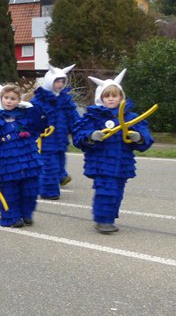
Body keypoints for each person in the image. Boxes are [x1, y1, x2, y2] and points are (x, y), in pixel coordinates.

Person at [71, 70, 153, 234]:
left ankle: (109, 216)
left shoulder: (131, 117)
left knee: (117, 192)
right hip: (101, 162)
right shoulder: (93, 117)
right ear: (101, 97)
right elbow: (78, 135)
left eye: (114, 95)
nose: (110, 99)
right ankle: (103, 220)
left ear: (121, 97)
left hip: (122, 162)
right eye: (107, 95)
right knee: (105, 190)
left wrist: (138, 137)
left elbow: (146, 137)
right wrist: (91, 135)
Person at [0, 82, 44, 228]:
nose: (9, 101)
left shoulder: (24, 114)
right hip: (7, 162)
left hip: (28, 158)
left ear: (19, 100)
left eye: (13, 98)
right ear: (1, 99)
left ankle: (26, 213)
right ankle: (11, 217)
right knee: (10, 191)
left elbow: (39, 127)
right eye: (6, 97)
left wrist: (33, 109)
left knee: (31, 189)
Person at [30, 65, 79, 200]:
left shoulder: (65, 99)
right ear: (50, 81)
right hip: (46, 141)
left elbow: (74, 118)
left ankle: (59, 177)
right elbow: (31, 119)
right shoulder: (39, 100)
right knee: (49, 166)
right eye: (57, 81)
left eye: (62, 81)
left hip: (61, 140)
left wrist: (80, 132)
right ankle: (49, 191)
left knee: (59, 164)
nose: (60, 84)